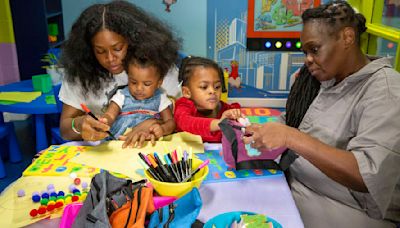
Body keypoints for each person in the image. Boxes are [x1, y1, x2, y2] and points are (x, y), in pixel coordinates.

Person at [243, 1, 400, 227]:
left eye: (314, 49)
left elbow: (367, 174)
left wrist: (290, 137)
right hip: (291, 185)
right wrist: (259, 130)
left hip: (344, 209)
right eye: (305, 52)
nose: (307, 59)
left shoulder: (386, 91)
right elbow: (293, 121)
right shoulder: (320, 79)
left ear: (347, 37)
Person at [58, 1, 180, 143]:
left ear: (132, 41)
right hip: (104, 152)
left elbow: (184, 119)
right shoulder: (80, 73)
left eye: (117, 48)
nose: (110, 59)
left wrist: (154, 124)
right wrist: (79, 124)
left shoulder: (157, 67)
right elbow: (65, 130)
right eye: (100, 51)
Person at [101, 52, 175, 148]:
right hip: (120, 139)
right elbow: (110, 114)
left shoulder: (161, 98)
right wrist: (104, 121)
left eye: (147, 84)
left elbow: (170, 121)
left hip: (146, 139)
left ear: (159, 83)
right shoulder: (122, 95)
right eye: (133, 82)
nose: (139, 88)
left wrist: (163, 129)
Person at [174, 56, 243, 142]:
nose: (212, 91)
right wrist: (219, 123)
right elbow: (185, 123)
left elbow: (242, 132)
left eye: (217, 87)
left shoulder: (224, 110)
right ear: (187, 92)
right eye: (204, 87)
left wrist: (238, 119)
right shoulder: (184, 105)